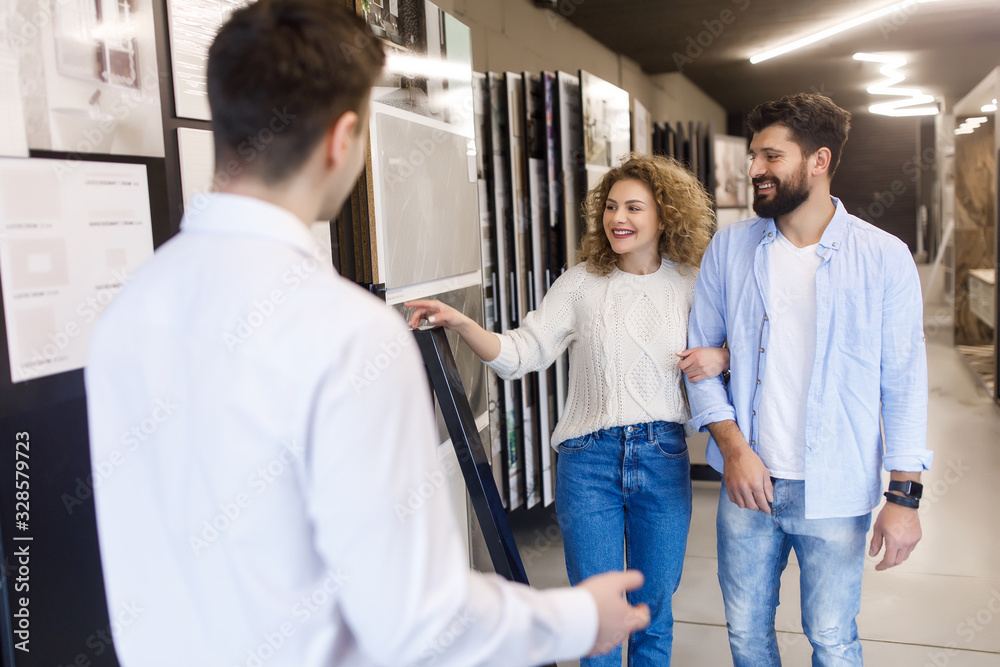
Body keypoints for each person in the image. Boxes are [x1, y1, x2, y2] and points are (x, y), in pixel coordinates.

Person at [84, 1, 653, 665]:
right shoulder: (345, 331)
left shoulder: (128, 312)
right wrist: (577, 616)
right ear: (343, 137)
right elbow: (418, 621)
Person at [405, 153, 727, 666]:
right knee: (595, 618)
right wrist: (461, 323)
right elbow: (521, 352)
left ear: (664, 216)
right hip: (588, 461)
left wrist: (723, 354)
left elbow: (741, 350)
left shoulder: (692, 282)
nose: (618, 218)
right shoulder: (580, 283)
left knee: (653, 610)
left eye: (634, 208)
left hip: (663, 457)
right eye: (612, 207)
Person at [684, 93, 933, 666]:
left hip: (837, 489)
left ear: (818, 161)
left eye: (771, 156)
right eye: (753, 157)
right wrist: (735, 450)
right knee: (746, 635)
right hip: (748, 485)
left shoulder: (883, 257)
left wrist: (904, 498)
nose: (754, 170)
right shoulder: (730, 248)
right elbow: (698, 365)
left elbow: (903, 383)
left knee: (832, 638)